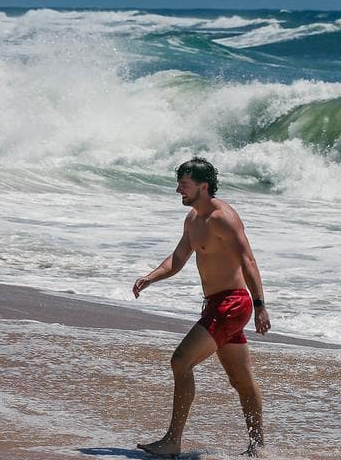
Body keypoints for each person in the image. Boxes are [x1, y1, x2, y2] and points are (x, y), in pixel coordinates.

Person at [133, 157, 271, 457]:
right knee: (241, 379)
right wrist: (150, 277)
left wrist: (260, 305)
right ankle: (258, 449)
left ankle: (172, 441)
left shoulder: (223, 218)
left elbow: (248, 260)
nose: (178, 190)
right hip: (214, 305)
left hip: (232, 303)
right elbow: (178, 259)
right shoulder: (193, 220)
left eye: (184, 185)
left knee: (181, 361)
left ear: (203, 186)